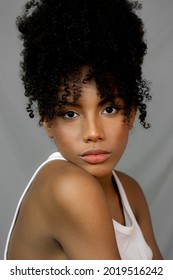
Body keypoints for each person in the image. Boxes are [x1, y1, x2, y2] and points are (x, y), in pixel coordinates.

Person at [4, 0, 163, 260]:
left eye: (109, 109)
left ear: (131, 113)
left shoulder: (130, 191)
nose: (92, 132)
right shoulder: (69, 188)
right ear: (47, 122)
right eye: (70, 114)